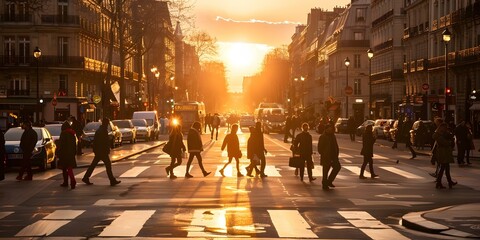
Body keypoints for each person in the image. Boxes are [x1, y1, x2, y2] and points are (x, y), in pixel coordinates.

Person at [82, 118, 121, 186]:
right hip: (103, 152)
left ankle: (86, 177)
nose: (108, 125)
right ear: (106, 123)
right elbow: (104, 142)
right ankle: (112, 180)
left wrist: (96, 150)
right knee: (108, 166)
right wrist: (107, 149)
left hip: (99, 151)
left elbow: (96, 141)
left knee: (93, 165)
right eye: (108, 123)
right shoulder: (103, 131)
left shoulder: (99, 130)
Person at [433, 123, 457, 189]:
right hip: (443, 153)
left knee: (446, 168)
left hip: (445, 152)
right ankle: (440, 182)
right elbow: (444, 142)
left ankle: (447, 182)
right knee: (443, 168)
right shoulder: (438, 135)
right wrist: (449, 142)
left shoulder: (442, 134)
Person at [318, 124, 340, 190]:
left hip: (333, 156)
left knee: (337, 167)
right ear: (326, 129)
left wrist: (337, 152)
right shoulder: (323, 136)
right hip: (326, 156)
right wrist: (324, 154)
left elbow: (335, 145)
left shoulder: (333, 136)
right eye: (330, 129)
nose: (331, 130)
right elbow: (320, 148)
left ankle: (329, 181)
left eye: (331, 129)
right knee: (325, 171)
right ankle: (324, 184)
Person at [57, 121, 78, 189]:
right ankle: (72, 180)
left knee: (64, 169)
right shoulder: (72, 134)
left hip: (64, 154)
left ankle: (67, 181)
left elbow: (61, 145)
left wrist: (58, 153)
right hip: (71, 154)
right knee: (69, 168)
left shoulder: (63, 134)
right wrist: (74, 152)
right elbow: (75, 145)